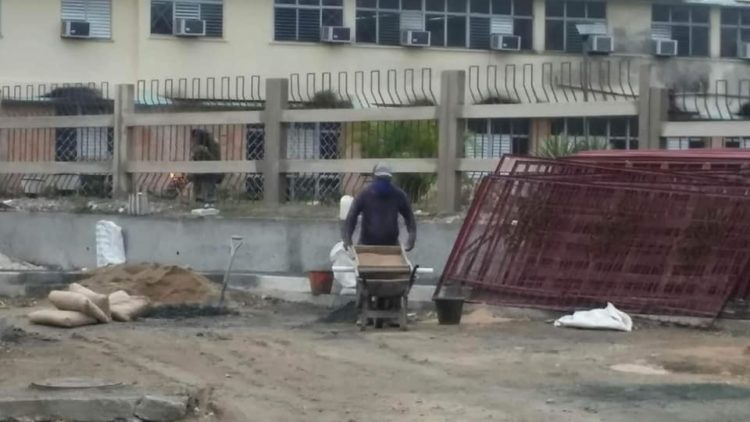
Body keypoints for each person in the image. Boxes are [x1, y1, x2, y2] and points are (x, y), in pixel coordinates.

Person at [343, 162, 417, 251]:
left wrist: (411, 239)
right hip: (366, 244)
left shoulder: (398, 195)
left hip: (391, 246)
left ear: (390, 179)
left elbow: (409, 217)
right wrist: (347, 238)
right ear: (374, 178)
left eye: (386, 180)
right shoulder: (364, 194)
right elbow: (352, 216)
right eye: (380, 179)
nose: (383, 183)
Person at [188, 128, 223, 207]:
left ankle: (209, 198)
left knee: (203, 174)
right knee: (197, 174)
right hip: (203, 172)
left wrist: (203, 152)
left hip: (213, 172)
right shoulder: (201, 147)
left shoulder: (212, 145)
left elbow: (215, 162)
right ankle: (199, 197)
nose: (193, 141)